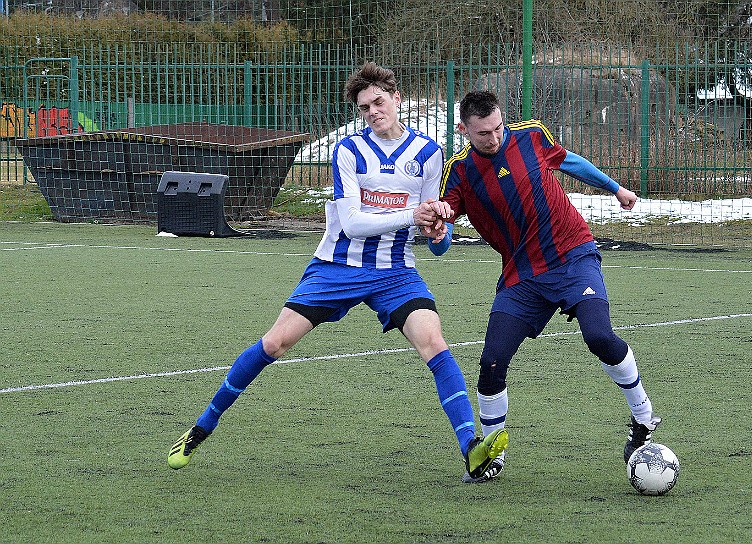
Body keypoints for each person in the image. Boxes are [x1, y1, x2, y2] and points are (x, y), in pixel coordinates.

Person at [167, 64, 507, 480]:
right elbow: (352, 224)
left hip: (395, 271)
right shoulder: (347, 150)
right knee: (275, 344)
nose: (373, 112)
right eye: (365, 108)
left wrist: (438, 229)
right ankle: (201, 428)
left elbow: (437, 240)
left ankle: (470, 447)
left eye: (379, 102)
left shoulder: (428, 154)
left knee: (434, 343)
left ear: (396, 98)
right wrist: (412, 215)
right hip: (337, 266)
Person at [432, 90, 660, 483]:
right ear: (464, 129)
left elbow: (570, 162)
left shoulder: (531, 135)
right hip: (521, 276)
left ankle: (642, 417)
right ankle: (491, 454)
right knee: (491, 363)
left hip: (572, 255)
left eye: (498, 127)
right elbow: (443, 233)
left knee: (600, 337)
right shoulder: (459, 172)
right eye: (483, 132)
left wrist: (615, 188)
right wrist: (438, 233)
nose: (494, 137)